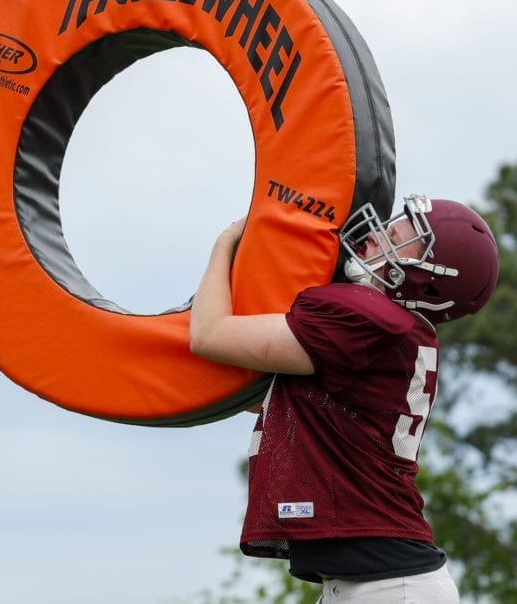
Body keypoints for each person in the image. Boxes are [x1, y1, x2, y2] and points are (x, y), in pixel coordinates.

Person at [189, 195, 500, 603]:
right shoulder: (395, 332)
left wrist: (226, 241)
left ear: (430, 279)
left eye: (401, 237)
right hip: (377, 582)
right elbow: (270, 400)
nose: (381, 233)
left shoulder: (370, 321)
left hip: (387, 585)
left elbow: (208, 335)